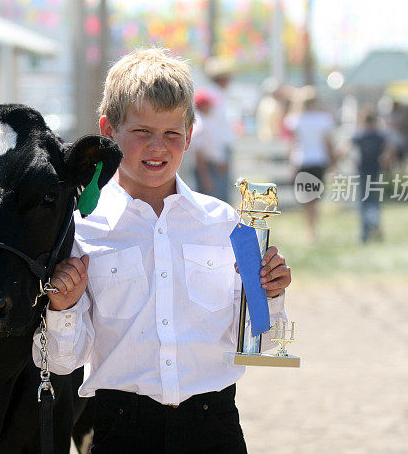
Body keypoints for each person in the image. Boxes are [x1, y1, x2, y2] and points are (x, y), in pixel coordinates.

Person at [32, 48, 292, 453]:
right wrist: (62, 309)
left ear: (189, 135)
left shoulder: (222, 223)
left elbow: (264, 340)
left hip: (215, 427)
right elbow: (63, 362)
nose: (158, 147)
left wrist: (270, 295)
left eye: (172, 133)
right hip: (121, 431)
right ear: (108, 132)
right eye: (141, 132)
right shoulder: (81, 231)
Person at [284, 89, 335, 242]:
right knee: (315, 197)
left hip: (302, 161)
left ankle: (310, 228)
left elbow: (293, 144)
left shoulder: (295, 119)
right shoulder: (323, 119)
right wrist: (333, 160)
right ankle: (313, 227)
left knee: (306, 198)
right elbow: (328, 143)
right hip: (318, 161)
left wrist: (290, 162)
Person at [190, 58, 236, 201]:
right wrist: (221, 156)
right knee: (217, 195)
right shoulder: (214, 96)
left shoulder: (215, 94)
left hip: (216, 151)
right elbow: (214, 131)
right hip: (215, 153)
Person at [351, 108, 394, 243]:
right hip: (376, 172)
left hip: (364, 172)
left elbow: (347, 149)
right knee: (374, 202)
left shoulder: (360, 136)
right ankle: (374, 226)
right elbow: (390, 150)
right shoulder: (380, 136)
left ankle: (365, 234)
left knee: (364, 203)